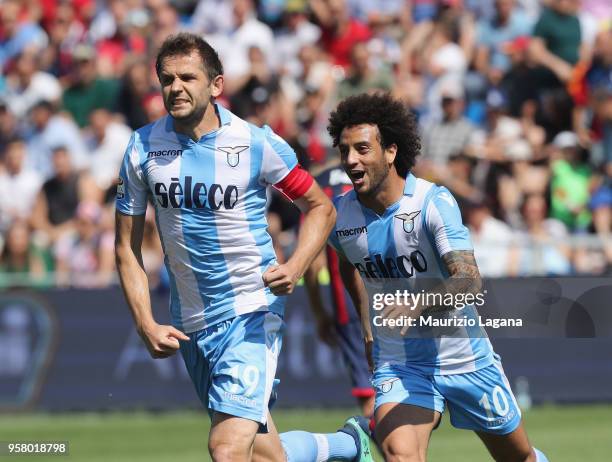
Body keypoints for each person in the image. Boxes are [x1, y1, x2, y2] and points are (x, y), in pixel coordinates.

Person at [114, 33, 373, 462]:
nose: (175, 87)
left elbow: (321, 209)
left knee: (227, 449)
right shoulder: (142, 147)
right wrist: (145, 321)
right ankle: (348, 446)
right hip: (192, 321)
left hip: (252, 309)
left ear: (216, 85)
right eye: (166, 79)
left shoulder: (256, 143)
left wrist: (295, 265)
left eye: (187, 77)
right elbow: (126, 247)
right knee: (262, 454)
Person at [326, 92, 549, 462]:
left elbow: (469, 281)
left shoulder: (432, 202)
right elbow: (348, 263)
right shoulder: (342, 215)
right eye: (345, 150)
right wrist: (366, 327)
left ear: (391, 151)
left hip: (464, 358)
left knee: (519, 458)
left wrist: (416, 307)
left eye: (362, 149)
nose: (351, 160)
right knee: (399, 454)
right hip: (399, 363)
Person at [304, 159, 375, 418]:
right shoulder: (377, 172)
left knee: (369, 399)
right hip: (393, 297)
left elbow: (312, 264)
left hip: (349, 304)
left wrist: (320, 312)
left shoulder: (316, 186)